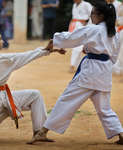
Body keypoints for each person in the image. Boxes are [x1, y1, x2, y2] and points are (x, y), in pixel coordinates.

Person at [27, 2, 123, 145]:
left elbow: (72, 37)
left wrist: (55, 41)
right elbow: (113, 57)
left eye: (93, 14)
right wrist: (92, 51)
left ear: (100, 16)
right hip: (104, 71)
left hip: (90, 72)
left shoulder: (93, 29)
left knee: (67, 100)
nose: (91, 17)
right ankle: (121, 135)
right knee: (104, 107)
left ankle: (42, 132)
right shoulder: (114, 33)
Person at [68, 0, 92, 73]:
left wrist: (88, 25)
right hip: (74, 25)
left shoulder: (86, 4)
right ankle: (78, 65)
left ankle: (72, 65)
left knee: (78, 46)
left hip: (82, 26)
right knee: (75, 45)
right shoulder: (75, 5)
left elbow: (93, 15)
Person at [113, 1, 123, 76]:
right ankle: (118, 70)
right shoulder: (120, 5)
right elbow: (119, 13)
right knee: (119, 50)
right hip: (121, 29)